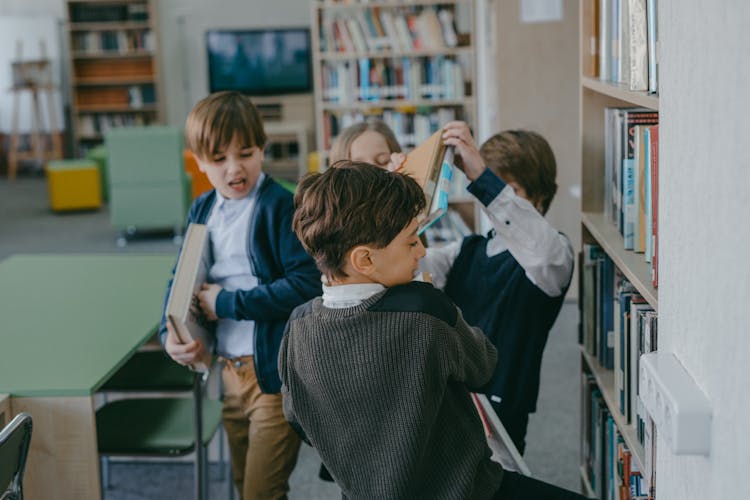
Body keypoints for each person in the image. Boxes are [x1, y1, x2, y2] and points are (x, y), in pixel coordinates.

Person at [280, 162, 587, 499]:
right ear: (364, 260)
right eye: (412, 242)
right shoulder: (424, 309)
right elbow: (483, 366)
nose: (423, 251)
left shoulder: (297, 326)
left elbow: (299, 419)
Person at [330, 119, 575, 455]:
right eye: (495, 188)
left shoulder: (553, 254)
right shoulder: (467, 249)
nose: (499, 199)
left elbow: (542, 253)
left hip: (500, 405)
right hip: (448, 395)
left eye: (511, 190)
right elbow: (404, 273)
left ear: (542, 193)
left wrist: (483, 179)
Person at [158, 91, 322, 499]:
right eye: (219, 159)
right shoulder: (202, 209)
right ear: (197, 161)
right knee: (241, 483)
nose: (235, 169)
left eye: (245, 153)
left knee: (259, 492)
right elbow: (180, 279)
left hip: (274, 376)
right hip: (227, 374)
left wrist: (226, 303)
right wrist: (170, 334)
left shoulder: (280, 206)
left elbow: (305, 285)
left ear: (262, 148)